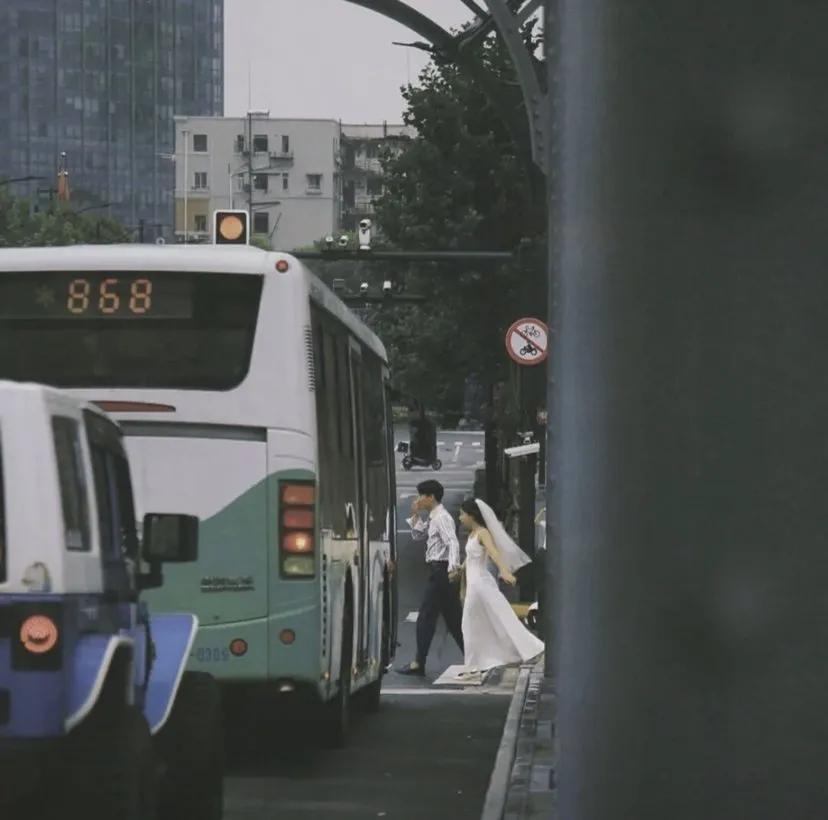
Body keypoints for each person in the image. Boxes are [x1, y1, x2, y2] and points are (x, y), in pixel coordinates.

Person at [457, 498, 544, 678]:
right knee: (481, 622)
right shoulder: (473, 534)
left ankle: (530, 648)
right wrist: (460, 569)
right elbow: (472, 557)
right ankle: (477, 662)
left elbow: (493, 553)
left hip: (481, 583)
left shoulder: (483, 533)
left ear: (471, 515)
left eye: (462, 514)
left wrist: (504, 571)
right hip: (474, 584)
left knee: (495, 618)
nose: (460, 518)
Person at [397, 479, 464, 676]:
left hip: (441, 571)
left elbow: (452, 542)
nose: (418, 500)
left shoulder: (442, 517)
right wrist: (415, 515)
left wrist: (453, 568)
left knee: (426, 616)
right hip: (439, 571)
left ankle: (419, 662)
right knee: (453, 619)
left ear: (431, 497)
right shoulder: (434, 517)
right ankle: (473, 658)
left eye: (421, 496)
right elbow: (419, 536)